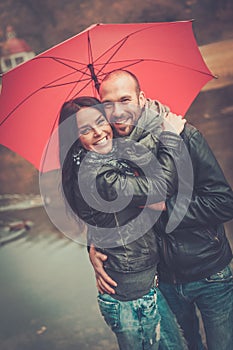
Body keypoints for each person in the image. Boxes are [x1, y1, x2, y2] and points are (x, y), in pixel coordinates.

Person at [89, 70, 233, 350]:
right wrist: (93, 247)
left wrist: (163, 209)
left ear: (141, 98)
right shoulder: (109, 153)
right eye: (108, 104)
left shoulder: (183, 134)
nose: (117, 112)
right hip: (161, 281)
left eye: (125, 99)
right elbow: (107, 213)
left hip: (210, 272)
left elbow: (223, 202)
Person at [58, 96, 188, 350]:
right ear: (75, 139)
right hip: (132, 298)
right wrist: (170, 137)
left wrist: (92, 247)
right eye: (86, 130)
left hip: (143, 287)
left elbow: (102, 220)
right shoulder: (99, 175)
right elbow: (161, 190)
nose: (99, 132)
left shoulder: (100, 161)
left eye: (100, 121)